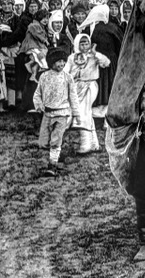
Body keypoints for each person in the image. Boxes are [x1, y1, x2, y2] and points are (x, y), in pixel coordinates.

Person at [32, 47, 79, 176]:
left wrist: (76, 113)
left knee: (55, 140)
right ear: (51, 62)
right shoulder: (44, 77)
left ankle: (52, 164)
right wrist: (39, 105)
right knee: (43, 142)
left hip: (62, 113)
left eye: (63, 61)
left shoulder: (67, 77)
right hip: (47, 114)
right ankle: (57, 154)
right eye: (58, 61)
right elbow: (37, 93)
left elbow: (73, 96)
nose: (61, 64)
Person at [67, 31, 109, 154]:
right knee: (87, 113)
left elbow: (106, 63)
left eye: (86, 44)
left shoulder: (93, 57)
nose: (84, 47)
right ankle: (94, 143)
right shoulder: (72, 57)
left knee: (82, 112)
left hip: (90, 85)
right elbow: (66, 71)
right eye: (81, 44)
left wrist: (96, 55)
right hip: (76, 86)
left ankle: (85, 144)